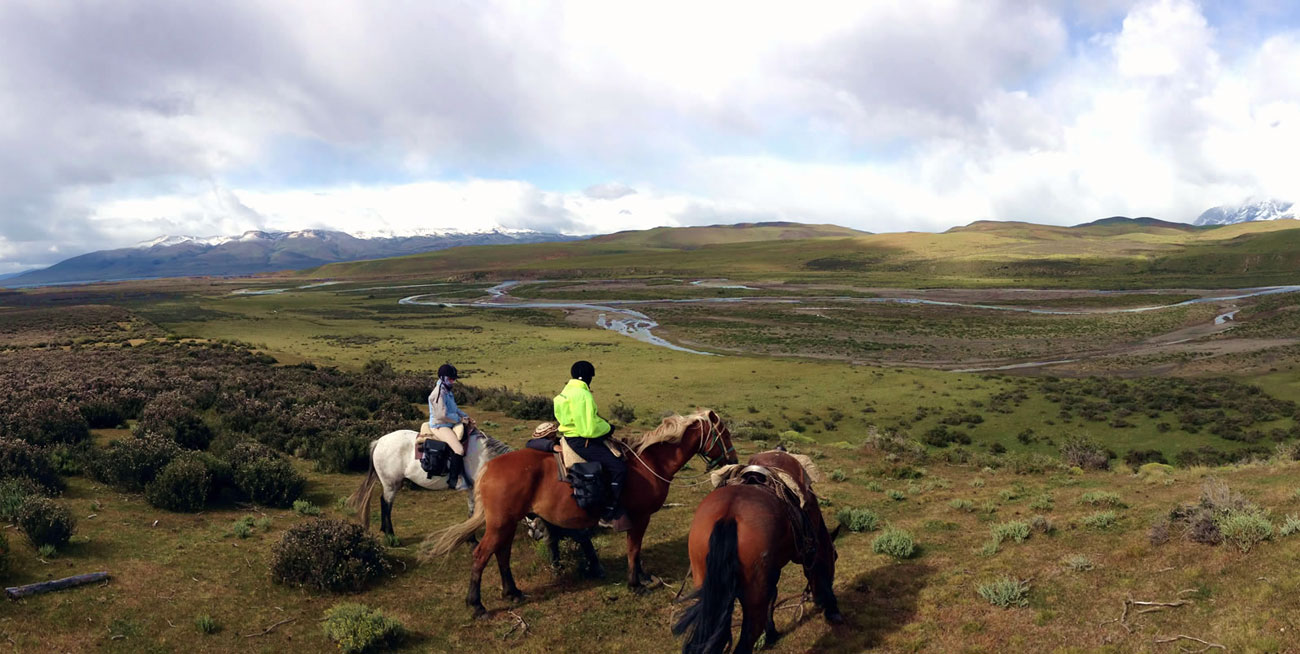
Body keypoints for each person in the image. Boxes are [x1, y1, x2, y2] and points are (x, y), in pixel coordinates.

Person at [553, 360, 629, 530]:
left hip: (568, 436)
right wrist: (608, 427)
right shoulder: (583, 395)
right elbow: (588, 428)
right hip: (582, 440)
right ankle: (608, 513)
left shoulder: (564, 393)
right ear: (588, 377)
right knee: (619, 468)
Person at [429, 363, 473, 488]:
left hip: (449, 423)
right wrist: (460, 419)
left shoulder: (447, 391)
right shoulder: (438, 394)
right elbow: (442, 415)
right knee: (459, 449)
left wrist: (467, 417)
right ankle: (453, 481)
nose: (453, 382)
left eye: (454, 379)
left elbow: (454, 409)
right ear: (443, 378)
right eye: (451, 379)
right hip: (440, 426)